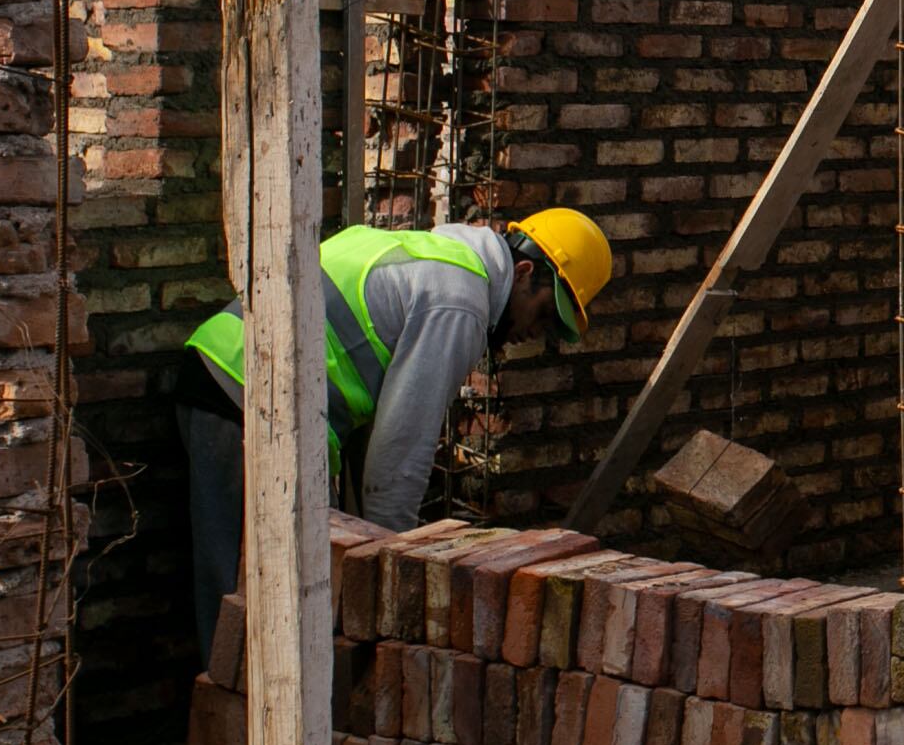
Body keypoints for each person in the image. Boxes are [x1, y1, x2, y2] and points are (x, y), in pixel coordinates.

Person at [174, 207, 613, 654]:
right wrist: (384, 590)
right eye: (542, 316)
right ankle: (234, 716)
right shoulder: (459, 302)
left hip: (227, 376)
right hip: (250, 400)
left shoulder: (437, 255)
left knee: (245, 589)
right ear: (523, 272)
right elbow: (399, 460)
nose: (534, 334)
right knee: (251, 603)